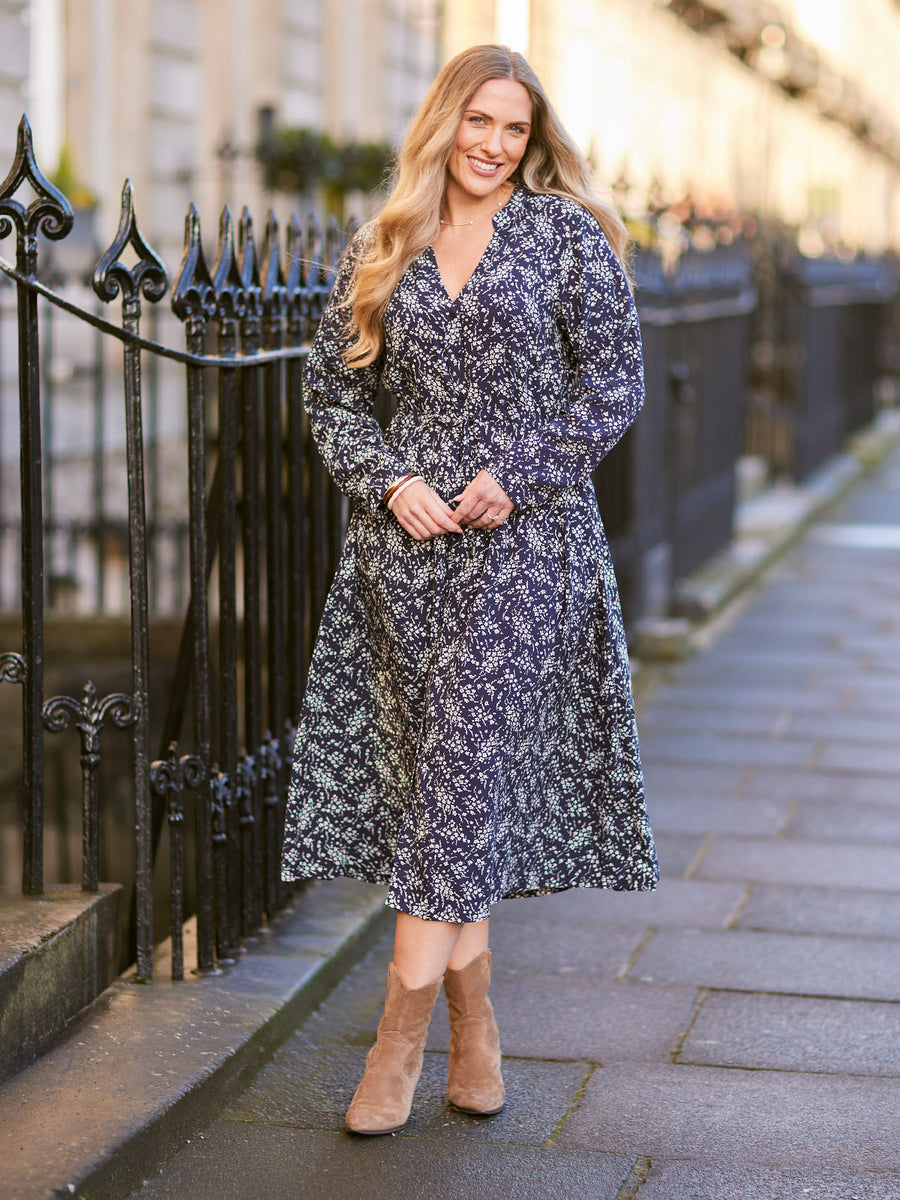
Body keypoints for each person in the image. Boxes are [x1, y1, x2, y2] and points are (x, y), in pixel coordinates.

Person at [281, 43, 658, 1136]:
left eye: (515, 129)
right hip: (406, 560)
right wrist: (389, 477)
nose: (494, 145)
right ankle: (476, 1032)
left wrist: (526, 470)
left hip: (529, 550)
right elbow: (330, 399)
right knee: (453, 796)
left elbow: (617, 377)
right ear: (445, 123)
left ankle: (393, 1052)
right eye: (479, 123)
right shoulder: (383, 244)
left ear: (533, 141)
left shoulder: (562, 237)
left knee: (456, 781)